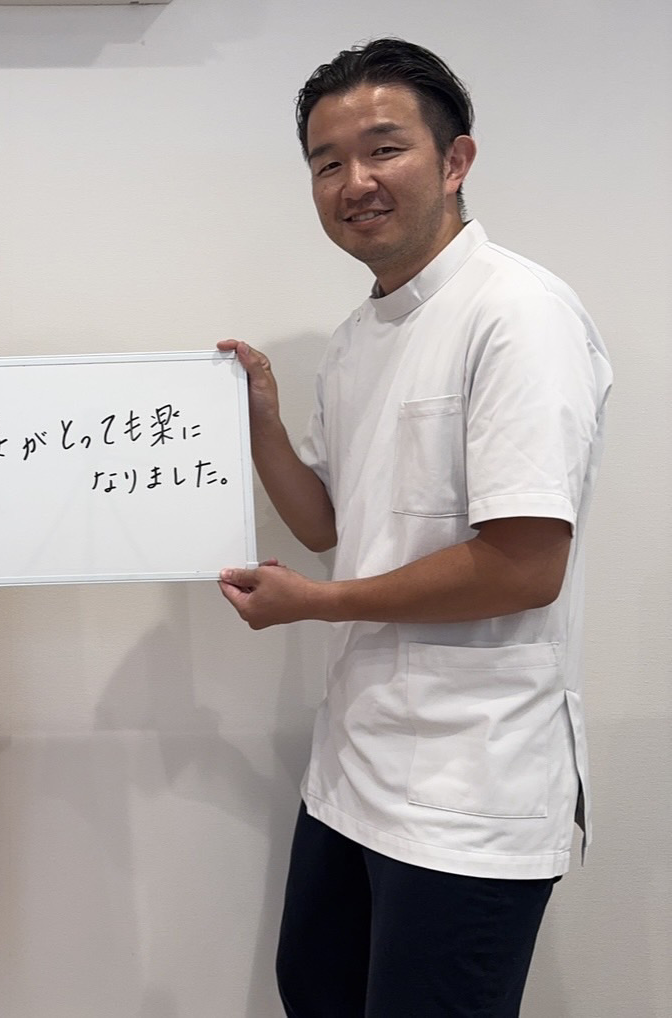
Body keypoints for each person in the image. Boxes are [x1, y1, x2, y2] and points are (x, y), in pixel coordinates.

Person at [217, 39, 612, 1018]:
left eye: (383, 149)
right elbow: (330, 523)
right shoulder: (359, 336)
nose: (353, 181)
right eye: (326, 162)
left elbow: (523, 566)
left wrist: (317, 606)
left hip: (469, 789)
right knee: (315, 992)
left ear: (455, 159)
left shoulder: (516, 314)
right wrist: (262, 424)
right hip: (353, 769)